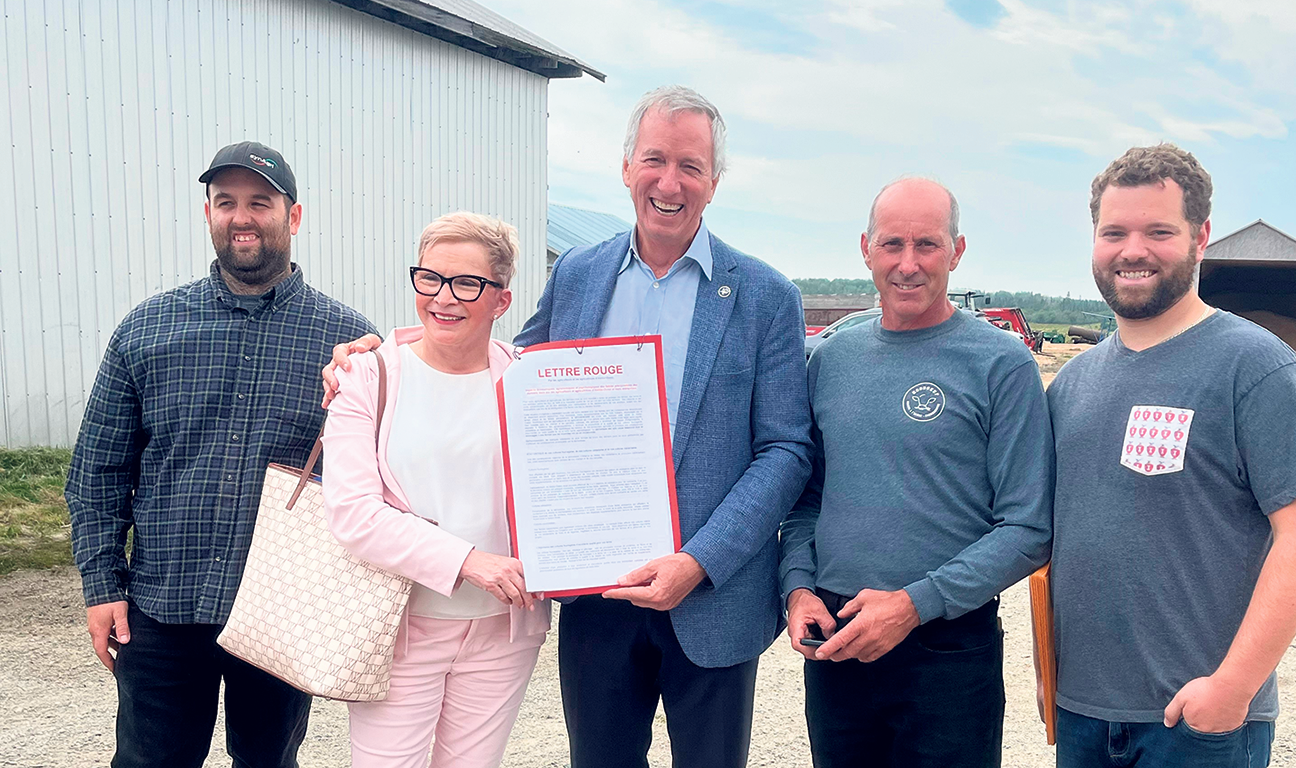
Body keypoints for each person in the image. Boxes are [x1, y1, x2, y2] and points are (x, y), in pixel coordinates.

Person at [323, 85, 813, 768]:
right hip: (594, 589)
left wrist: (697, 561)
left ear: (714, 182)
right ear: (625, 168)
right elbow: (502, 359)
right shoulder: (582, 274)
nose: (669, 182)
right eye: (654, 159)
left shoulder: (765, 295)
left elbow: (786, 450)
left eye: (690, 166)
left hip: (710, 594)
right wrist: (382, 350)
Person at [65, 141, 377, 767]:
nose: (242, 216)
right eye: (225, 201)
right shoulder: (147, 328)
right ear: (207, 212)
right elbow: (97, 471)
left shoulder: (347, 345)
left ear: (292, 217)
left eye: (260, 202)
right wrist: (102, 585)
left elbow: (371, 481)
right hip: (161, 606)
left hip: (281, 609)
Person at [1047, 143, 1296, 767]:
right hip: (1083, 715)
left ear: (1200, 237)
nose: (1133, 250)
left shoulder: (1253, 367)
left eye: (1159, 231)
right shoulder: (1073, 383)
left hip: (1196, 723)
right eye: (1114, 232)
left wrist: (1232, 689)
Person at [779, 177, 1054, 768]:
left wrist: (914, 603)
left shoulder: (1001, 364)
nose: (908, 264)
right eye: (892, 244)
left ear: (957, 250)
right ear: (865, 248)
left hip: (946, 649)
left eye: (927, 245)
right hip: (837, 639)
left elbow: (1028, 528)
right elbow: (808, 498)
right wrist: (798, 586)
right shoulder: (829, 359)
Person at [322, 211, 550, 768]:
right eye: (430, 277)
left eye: (467, 283)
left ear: (501, 300)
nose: (443, 297)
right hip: (397, 625)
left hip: (505, 629)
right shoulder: (367, 376)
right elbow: (353, 512)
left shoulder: (533, 381)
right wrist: (470, 561)